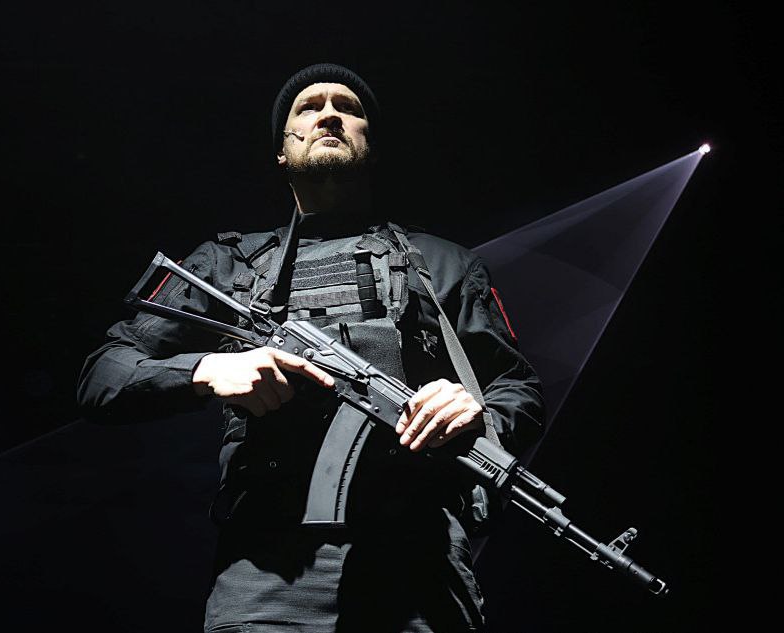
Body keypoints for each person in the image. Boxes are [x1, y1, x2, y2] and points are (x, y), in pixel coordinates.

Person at [77, 63, 544, 633]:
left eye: (348, 108)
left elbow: (517, 386)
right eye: (309, 107)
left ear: (371, 143)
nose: (328, 116)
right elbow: (104, 375)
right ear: (283, 149)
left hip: (422, 567)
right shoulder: (228, 264)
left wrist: (475, 411)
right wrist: (208, 370)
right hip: (269, 578)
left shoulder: (443, 263)